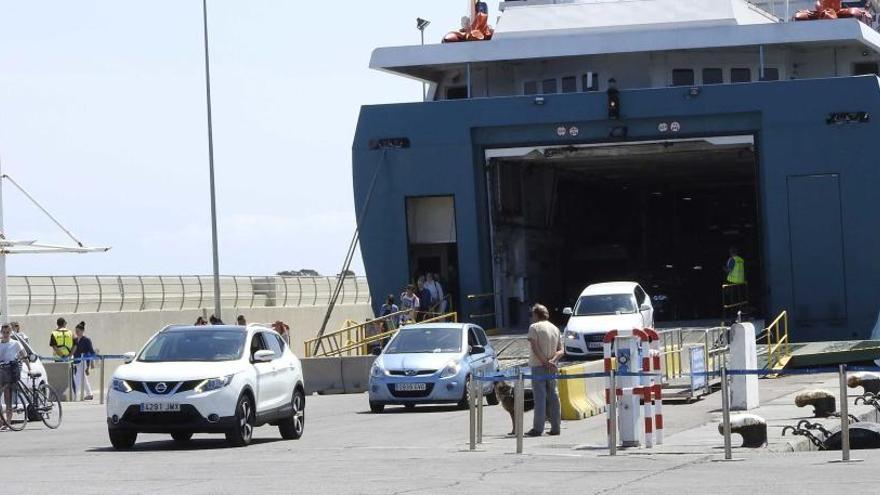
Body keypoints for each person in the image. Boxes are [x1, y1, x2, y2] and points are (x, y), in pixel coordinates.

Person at [526, 303, 562, 437]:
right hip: (552, 367)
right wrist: (552, 361)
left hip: (538, 366)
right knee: (553, 396)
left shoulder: (534, 327)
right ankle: (556, 427)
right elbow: (561, 350)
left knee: (540, 397)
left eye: (532, 314)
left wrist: (544, 362)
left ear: (536, 315)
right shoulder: (555, 328)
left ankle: (538, 428)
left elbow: (535, 347)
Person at [0, 323, 31, 430]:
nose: (5, 334)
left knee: (7, 396)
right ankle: (2, 420)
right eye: (3, 332)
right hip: (1, 371)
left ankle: (8, 421)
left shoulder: (15, 343)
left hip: (11, 371)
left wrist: (29, 368)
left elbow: (24, 355)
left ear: (11, 332)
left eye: (7, 332)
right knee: (3, 396)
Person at [72, 322, 95, 401]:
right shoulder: (74, 339)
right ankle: (89, 394)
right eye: (76, 331)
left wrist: (92, 363)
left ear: (82, 331)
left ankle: (75, 396)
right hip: (76, 361)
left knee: (77, 378)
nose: (77, 332)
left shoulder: (86, 340)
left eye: (78, 331)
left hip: (83, 361)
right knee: (83, 378)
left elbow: (92, 352)